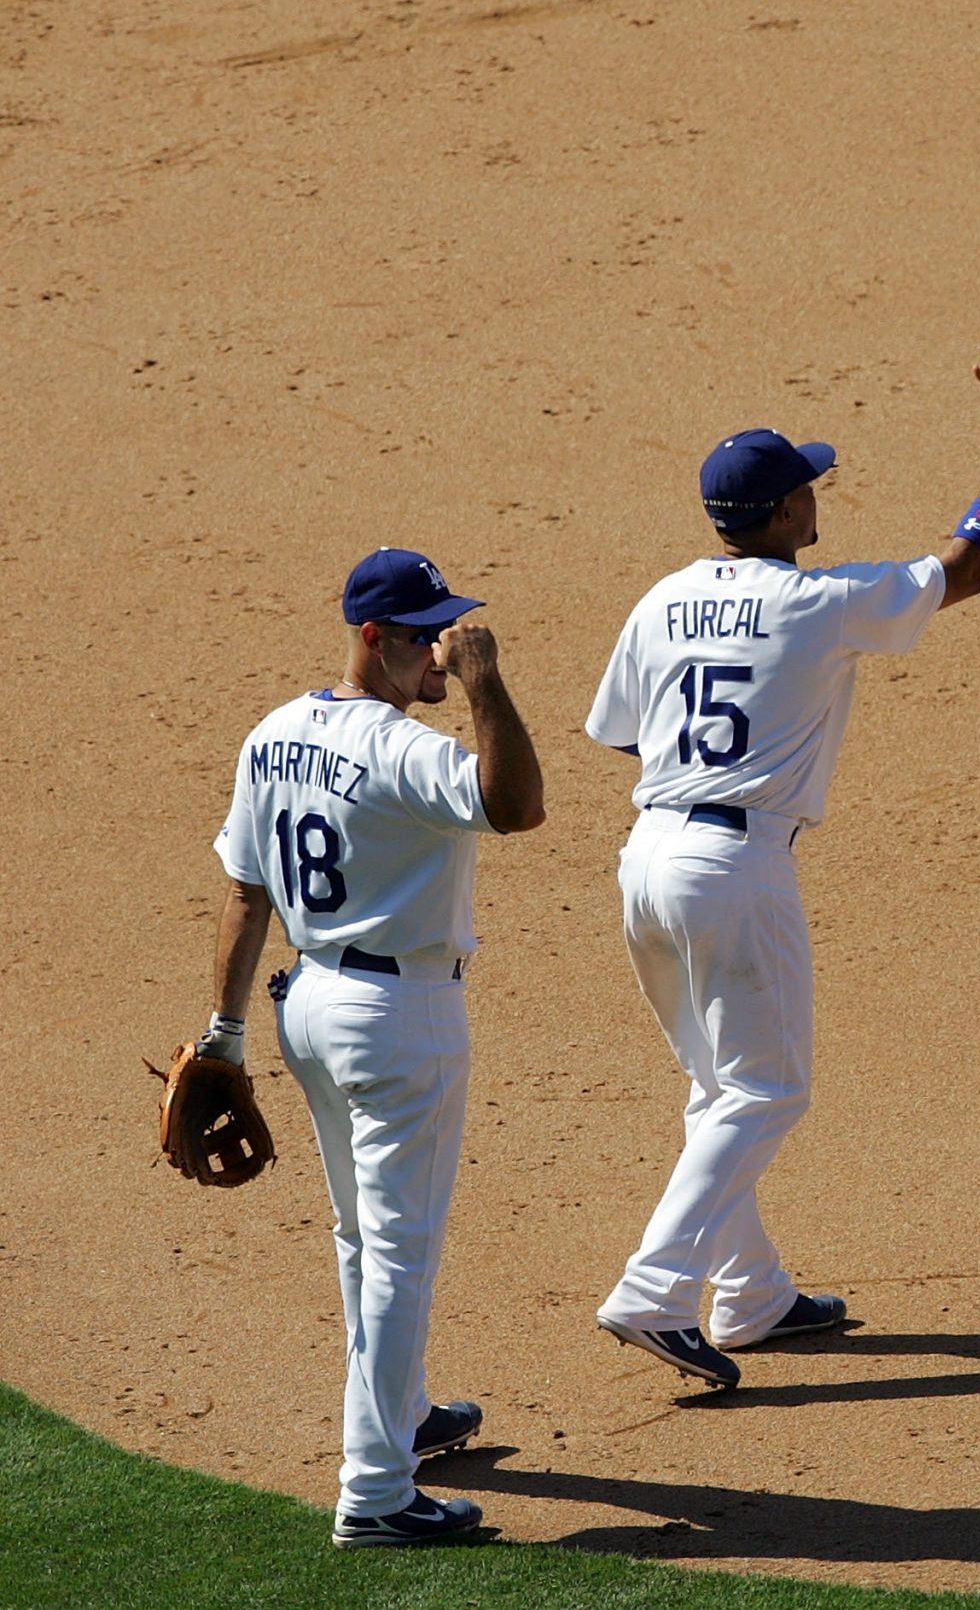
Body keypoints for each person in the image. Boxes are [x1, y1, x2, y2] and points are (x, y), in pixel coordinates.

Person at [586, 347, 980, 1390]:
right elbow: (965, 568)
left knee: (718, 1087)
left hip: (647, 853)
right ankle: (655, 1289)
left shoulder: (660, 600)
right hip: (733, 867)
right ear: (783, 512)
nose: (817, 493)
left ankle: (749, 1294)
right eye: (808, 485)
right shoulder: (818, 602)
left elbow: (624, 733)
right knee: (768, 1091)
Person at [209, 547, 546, 1545]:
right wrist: (488, 687)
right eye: (426, 638)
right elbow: (517, 802)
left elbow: (243, 890)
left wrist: (223, 1034)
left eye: (452, 632)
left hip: (306, 1004)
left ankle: (397, 1416)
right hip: (398, 1021)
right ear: (372, 639)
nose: (443, 651)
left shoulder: (273, 734)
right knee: (400, 1251)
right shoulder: (400, 752)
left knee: (363, 1239)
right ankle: (375, 1493)